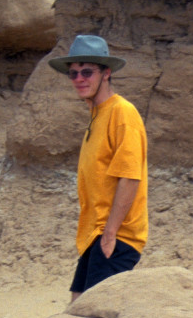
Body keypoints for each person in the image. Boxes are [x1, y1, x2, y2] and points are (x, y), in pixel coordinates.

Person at [47, 35, 148, 301]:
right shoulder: (98, 113)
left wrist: (111, 233)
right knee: (77, 305)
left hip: (117, 236)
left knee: (92, 317)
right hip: (96, 233)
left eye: (87, 71)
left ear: (106, 73)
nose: (79, 79)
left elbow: (130, 178)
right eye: (73, 73)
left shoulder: (122, 113)